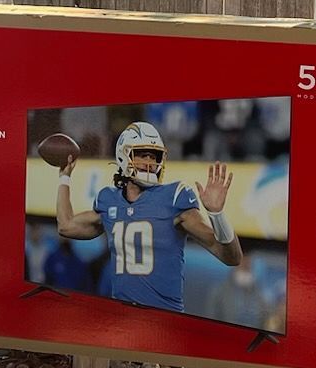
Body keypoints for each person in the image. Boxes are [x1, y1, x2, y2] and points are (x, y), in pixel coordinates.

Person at [55, 121, 242, 311]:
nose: (149, 162)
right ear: (123, 155)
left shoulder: (174, 197)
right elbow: (66, 225)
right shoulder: (108, 200)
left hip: (164, 321)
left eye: (154, 156)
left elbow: (231, 257)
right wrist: (64, 178)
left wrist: (216, 214)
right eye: (142, 154)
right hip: (122, 319)